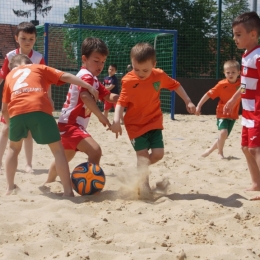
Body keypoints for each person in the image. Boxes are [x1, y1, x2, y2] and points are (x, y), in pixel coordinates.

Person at [1, 54, 101, 196]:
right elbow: (65, 76)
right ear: (29, 63)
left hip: (16, 111)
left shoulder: (10, 77)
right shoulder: (38, 67)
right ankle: (68, 191)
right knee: (58, 150)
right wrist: (87, 85)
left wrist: (10, 124)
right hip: (39, 107)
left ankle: (10, 188)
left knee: (13, 149)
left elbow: (4, 109)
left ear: (13, 68)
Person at [110, 42, 196, 198]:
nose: (141, 73)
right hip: (135, 125)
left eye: (145, 70)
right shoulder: (128, 81)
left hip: (154, 121)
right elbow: (121, 102)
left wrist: (188, 101)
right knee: (142, 156)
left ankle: (139, 172)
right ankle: (143, 186)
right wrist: (116, 120)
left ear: (154, 65)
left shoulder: (159, 75)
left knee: (158, 154)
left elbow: (176, 86)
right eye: (136, 69)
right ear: (132, 64)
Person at [45, 37, 118, 185]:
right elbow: (85, 96)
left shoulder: (93, 78)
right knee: (95, 151)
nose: (100, 65)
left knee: (65, 156)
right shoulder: (86, 76)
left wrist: (124, 98)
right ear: (84, 59)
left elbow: (109, 96)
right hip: (71, 124)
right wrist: (101, 117)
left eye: (103, 62)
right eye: (96, 60)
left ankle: (48, 182)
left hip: (66, 124)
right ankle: (90, 186)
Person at [0, 21, 53, 174]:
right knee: (5, 130)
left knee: (28, 133)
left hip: (30, 99)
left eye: (31, 39)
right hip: (12, 98)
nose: (27, 42)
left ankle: (28, 164)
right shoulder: (10, 56)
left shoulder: (38, 58)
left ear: (35, 39)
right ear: (17, 38)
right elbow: (3, 76)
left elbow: (46, 80)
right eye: (24, 38)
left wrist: (49, 99)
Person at [223, 12, 260, 200]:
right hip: (247, 110)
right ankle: (256, 184)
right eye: (234, 34)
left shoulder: (258, 56)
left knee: (256, 148)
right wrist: (233, 100)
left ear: (252, 34)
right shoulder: (246, 55)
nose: (234, 38)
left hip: (258, 112)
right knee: (246, 148)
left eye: (238, 34)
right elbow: (245, 85)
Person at [195, 60, 241, 158]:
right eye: (228, 72)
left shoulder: (242, 84)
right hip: (222, 112)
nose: (230, 74)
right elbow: (208, 94)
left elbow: (245, 94)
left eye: (233, 72)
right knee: (223, 133)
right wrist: (199, 105)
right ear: (224, 73)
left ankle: (209, 150)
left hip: (233, 114)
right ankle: (220, 153)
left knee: (224, 136)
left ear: (239, 72)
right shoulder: (221, 85)